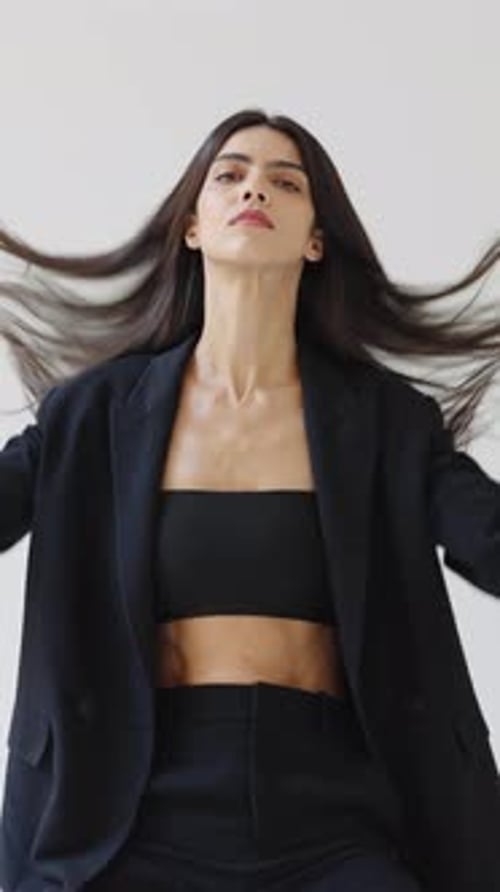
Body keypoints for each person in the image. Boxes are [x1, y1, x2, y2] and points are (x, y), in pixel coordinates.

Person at [0, 107, 499, 892]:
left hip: (335, 814)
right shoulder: (92, 415)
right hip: (134, 810)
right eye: (228, 175)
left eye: (285, 180)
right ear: (193, 226)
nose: (253, 188)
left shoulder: (387, 422)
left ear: (315, 237)